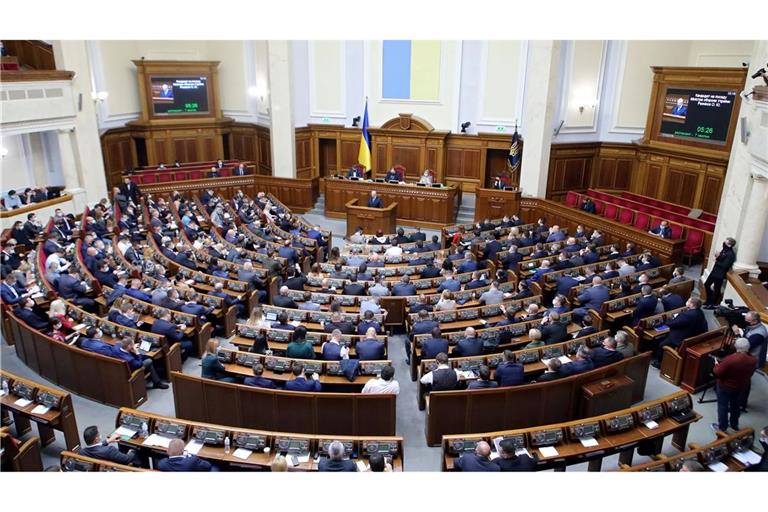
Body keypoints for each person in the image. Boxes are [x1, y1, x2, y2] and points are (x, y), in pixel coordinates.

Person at [712, 338, 756, 433]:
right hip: (740, 387)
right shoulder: (753, 360)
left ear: (736, 347)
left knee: (723, 406)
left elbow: (718, 373)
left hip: (725, 386)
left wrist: (716, 365)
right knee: (735, 406)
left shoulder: (730, 359)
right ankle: (734, 425)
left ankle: (722, 428)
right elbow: (750, 373)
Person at [652, 297, 708, 367]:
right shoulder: (700, 312)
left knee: (661, 344)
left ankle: (658, 363)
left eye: (688, 301)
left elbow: (673, 324)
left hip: (680, 339)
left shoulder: (686, 315)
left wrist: (667, 321)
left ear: (692, 304)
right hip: (692, 336)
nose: (687, 302)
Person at [732, 311, 767, 410]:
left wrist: (737, 334)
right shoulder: (753, 327)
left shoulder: (759, 333)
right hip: (748, 357)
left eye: (747, 320)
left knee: (744, 381)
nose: (745, 321)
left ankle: (740, 404)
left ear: (754, 321)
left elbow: (745, 347)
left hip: (751, 359)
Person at [704, 238, 737, 309]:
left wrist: (716, 260)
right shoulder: (724, 250)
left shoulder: (731, 254)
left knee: (717, 289)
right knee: (706, 284)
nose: (724, 243)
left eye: (725, 242)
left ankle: (713, 304)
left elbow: (725, 265)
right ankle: (709, 300)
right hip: (715, 271)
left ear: (729, 245)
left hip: (720, 274)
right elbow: (721, 258)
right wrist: (717, 256)